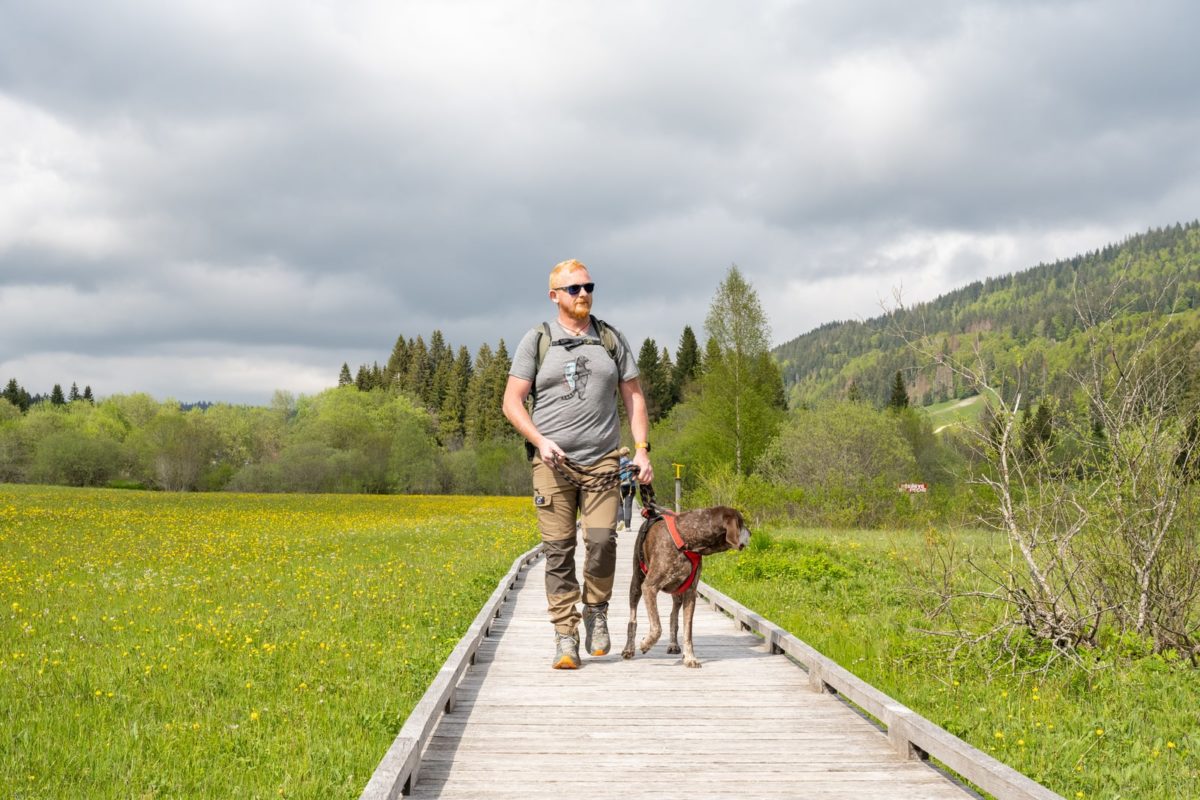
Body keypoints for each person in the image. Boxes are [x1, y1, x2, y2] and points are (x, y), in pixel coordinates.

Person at [503, 258, 654, 669]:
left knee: (603, 542)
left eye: (589, 286)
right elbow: (511, 402)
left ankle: (596, 611)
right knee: (558, 551)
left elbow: (634, 397)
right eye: (574, 289)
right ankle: (565, 635)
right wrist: (539, 441)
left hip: (604, 462)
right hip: (552, 464)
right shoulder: (537, 340)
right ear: (555, 296)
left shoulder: (609, 339)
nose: (584, 293)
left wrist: (642, 449)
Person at [617, 453, 636, 531]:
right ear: (628, 454)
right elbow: (636, 474)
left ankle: (621, 520)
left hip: (620, 486)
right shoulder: (632, 463)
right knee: (628, 506)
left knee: (619, 504)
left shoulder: (617, 463)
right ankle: (628, 527)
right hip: (631, 486)